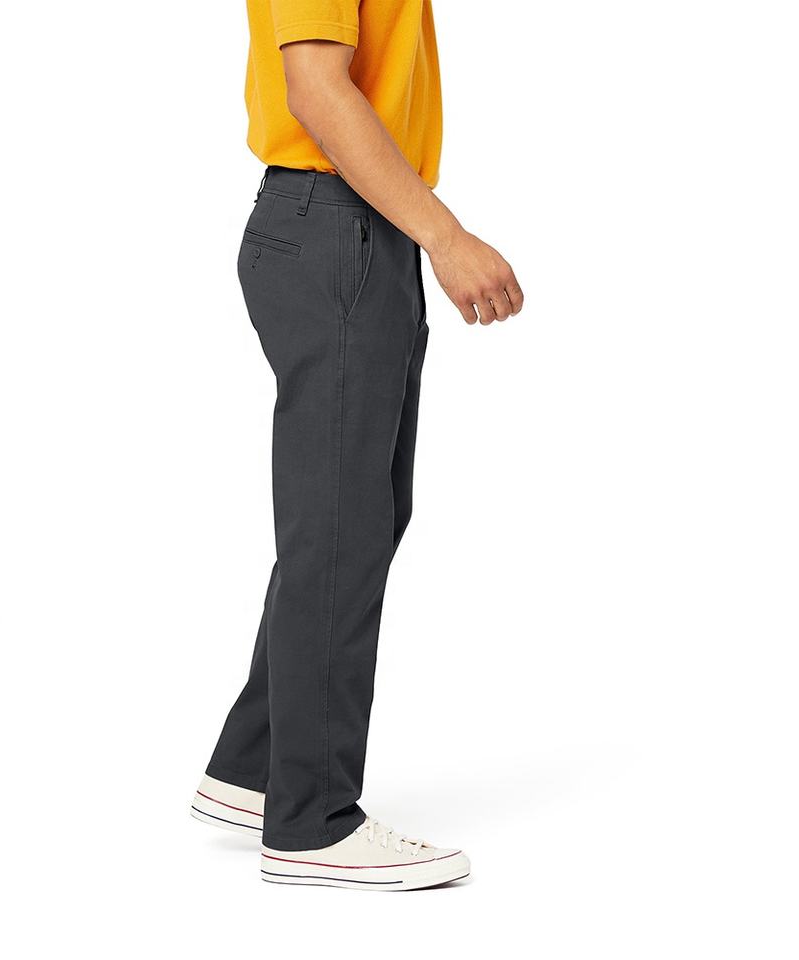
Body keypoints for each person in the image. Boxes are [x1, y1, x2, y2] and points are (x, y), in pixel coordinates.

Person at [191, 0, 523, 891]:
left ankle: (254, 768)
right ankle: (312, 820)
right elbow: (315, 88)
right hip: (335, 223)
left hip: (358, 224)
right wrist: (445, 235)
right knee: (338, 528)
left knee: (355, 520)